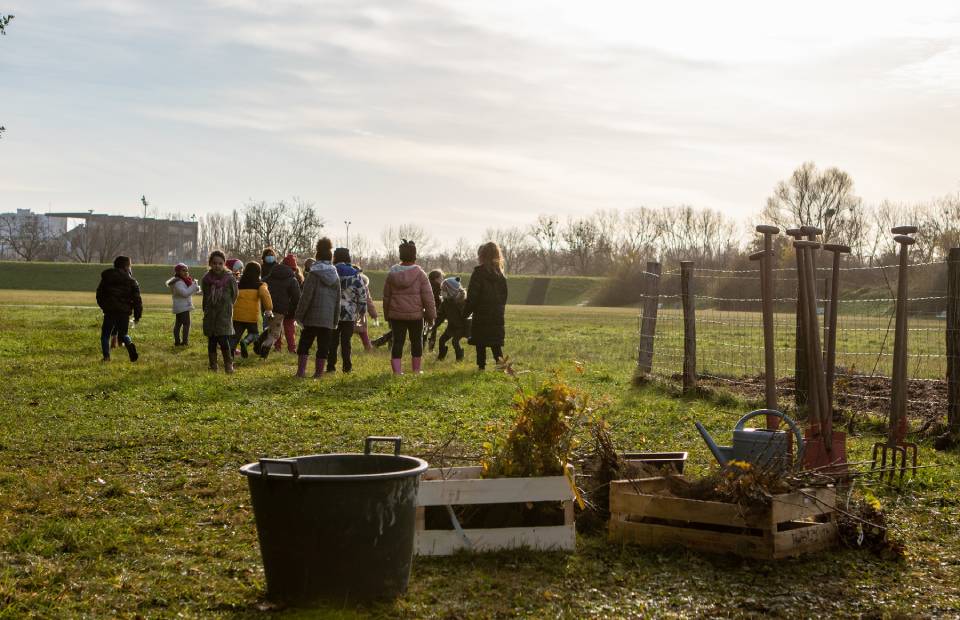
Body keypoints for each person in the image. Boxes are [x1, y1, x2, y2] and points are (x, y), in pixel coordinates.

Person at [382, 239, 436, 375]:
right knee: (416, 341)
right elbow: (428, 297)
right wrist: (431, 316)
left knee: (397, 342)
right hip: (416, 315)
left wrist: (387, 315)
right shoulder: (420, 274)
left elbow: (386, 297)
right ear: (415, 256)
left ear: (400, 255)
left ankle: (397, 371)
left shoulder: (392, 274)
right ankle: (416, 370)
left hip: (396, 315)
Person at [293, 238, 341, 378]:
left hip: (311, 317)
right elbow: (338, 300)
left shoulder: (313, 273)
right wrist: (335, 320)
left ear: (317, 256)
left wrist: (299, 315)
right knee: (323, 347)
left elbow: (306, 296)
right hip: (327, 318)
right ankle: (318, 374)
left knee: (305, 344)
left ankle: (301, 372)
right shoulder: (335, 276)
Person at [464, 242, 508, 370]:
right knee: (495, 343)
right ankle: (501, 366)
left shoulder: (478, 273)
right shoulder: (501, 275)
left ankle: (481, 367)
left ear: (481, 256)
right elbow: (504, 297)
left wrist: (465, 313)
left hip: (481, 314)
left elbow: (472, 296)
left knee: (480, 342)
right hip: (496, 314)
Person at [96, 255, 143, 362]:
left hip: (110, 311)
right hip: (124, 312)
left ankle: (106, 357)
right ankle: (129, 344)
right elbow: (137, 300)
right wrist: (137, 315)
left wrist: (105, 306)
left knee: (105, 335)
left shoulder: (107, 278)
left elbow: (99, 294)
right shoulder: (132, 281)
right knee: (123, 334)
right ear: (126, 267)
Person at [327, 247, 367, 373]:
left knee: (332, 341)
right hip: (349, 313)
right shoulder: (356, 275)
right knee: (346, 341)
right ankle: (347, 367)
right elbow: (362, 295)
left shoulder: (330, 273)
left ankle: (331, 366)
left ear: (335, 257)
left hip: (332, 312)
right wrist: (361, 311)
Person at [202, 250, 239, 373]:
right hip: (210, 315)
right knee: (211, 341)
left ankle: (229, 365)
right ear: (210, 264)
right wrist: (206, 310)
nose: (217, 266)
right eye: (214, 263)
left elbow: (235, 295)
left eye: (220, 263)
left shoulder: (230, 279)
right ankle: (213, 365)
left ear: (224, 264)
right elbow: (205, 296)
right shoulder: (206, 279)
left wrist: (227, 305)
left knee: (224, 340)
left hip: (224, 314)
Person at [261, 253, 301, 355]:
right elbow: (296, 296)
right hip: (287, 308)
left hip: (271, 307)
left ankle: (277, 347)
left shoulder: (272, 273)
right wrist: (293, 309)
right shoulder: (292, 279)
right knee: (289, 329)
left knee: (274, 328)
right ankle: (292, 349)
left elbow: (263, 283)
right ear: (293, 268)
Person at [233, 261, 273, 359]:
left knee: (235, 336)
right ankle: (245, 342)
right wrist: (269, 309)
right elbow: (265, 295)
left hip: (237, 315)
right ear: (258, 272)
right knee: (254, 334)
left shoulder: (238, 284)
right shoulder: (260, 285)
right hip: (251, 316)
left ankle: (230, 354)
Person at [166, 263, 199, 346]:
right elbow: (185, 293)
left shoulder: (181, 281)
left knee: (178, 324)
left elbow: (188, 291)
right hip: (182, 307)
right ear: (178, 272)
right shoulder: (178, 282)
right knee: (186, 324)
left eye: (187, 270)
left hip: (180, 306)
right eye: (183, 270)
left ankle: (178, 341)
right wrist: (193, 287)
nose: (186, 272)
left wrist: (195, 288)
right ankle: (184, 342)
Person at [436, 276, 469, 362]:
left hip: (461, 328)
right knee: (441, 340)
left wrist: (467, 330)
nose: (442, 292)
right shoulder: (445, 303)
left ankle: (459, 357)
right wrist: (434, 325)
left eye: (444, 290)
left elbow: (467, 317)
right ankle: (441, 356)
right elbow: (440, 316)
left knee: (455, 341)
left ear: (451, 290)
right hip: (451, 326)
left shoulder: (462, 302)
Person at [354, 272, 379, 351]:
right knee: (363, 332)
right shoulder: (364, 286)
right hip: (360, 313)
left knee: (344, 334)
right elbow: (368, 301)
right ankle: (368, 348)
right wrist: (374, 314)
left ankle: (341, 350)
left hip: (346, 312)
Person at [426, 269, 444, 351]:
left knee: (424, 328)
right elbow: (437, 299)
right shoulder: (438, 287)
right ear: (436, 278)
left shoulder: (426, 285)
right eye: (441, 277)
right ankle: (431, 347)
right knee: (433, 329)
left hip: (424, 309)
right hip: (434, 310)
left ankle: (422, 345)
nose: (442, 279)